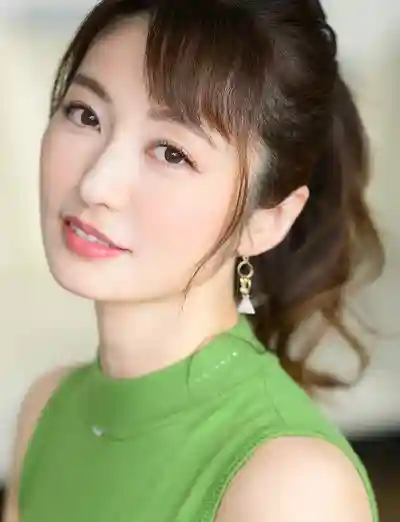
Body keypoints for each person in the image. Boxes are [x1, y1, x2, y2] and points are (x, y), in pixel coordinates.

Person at [4, 0, 384, 521]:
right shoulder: (46, 409)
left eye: (171, 152)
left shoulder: (292, 487)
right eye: (85, 115)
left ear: (266, 220)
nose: (96, 184)